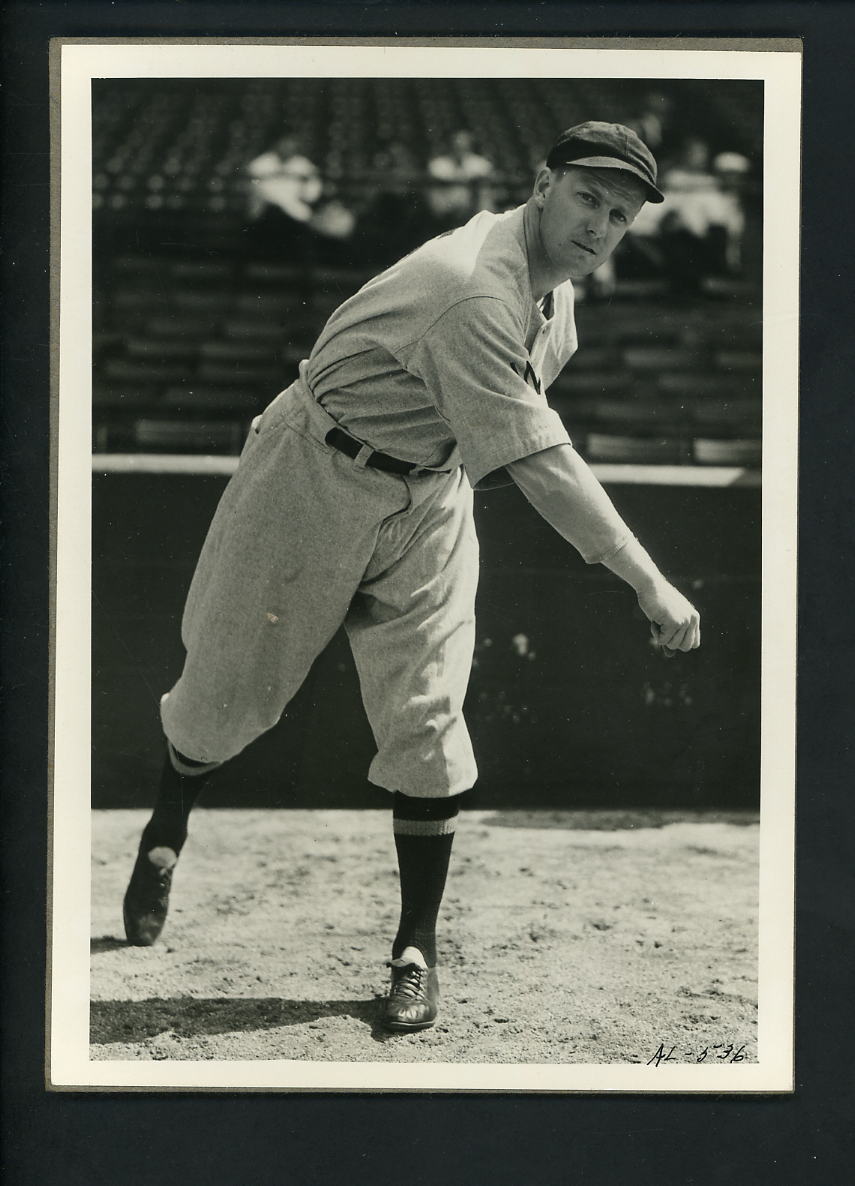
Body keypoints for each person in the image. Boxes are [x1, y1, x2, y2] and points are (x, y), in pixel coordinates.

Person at [123, 121, 701, 1034]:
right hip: (314, 469)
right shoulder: (474, 285)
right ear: (541, 184)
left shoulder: (553, 295)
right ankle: (167, 826)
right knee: (224, 701)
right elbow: (542, 462)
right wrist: (645, 577)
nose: (600, 224)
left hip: (428, 492)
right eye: (587, 197)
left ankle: (414, 949)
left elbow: (502, 428)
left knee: (429, 716)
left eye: (620, 214)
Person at [426, 129, 496, 229]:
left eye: (464, 144)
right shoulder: (437, 165)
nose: (460, 147)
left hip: (474, 212)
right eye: (457, 144)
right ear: (450, 145)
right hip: (447, 213)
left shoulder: (481, 164)